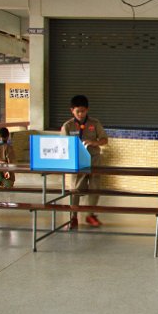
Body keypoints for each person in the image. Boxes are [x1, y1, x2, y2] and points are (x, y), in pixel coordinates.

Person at [61, 95, 108, 230]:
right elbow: (63, 145)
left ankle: (90, 214)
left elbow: (104, 140)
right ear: (72, 110)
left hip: (94, 160)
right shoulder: (67, 126)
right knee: (75, 189)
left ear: (87, 110)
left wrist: (94, 142)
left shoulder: (95, 123)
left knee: (95, 188)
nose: (81, 114)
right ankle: (73, 217)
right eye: (78, 111)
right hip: (77, 162)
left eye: (83, 111)